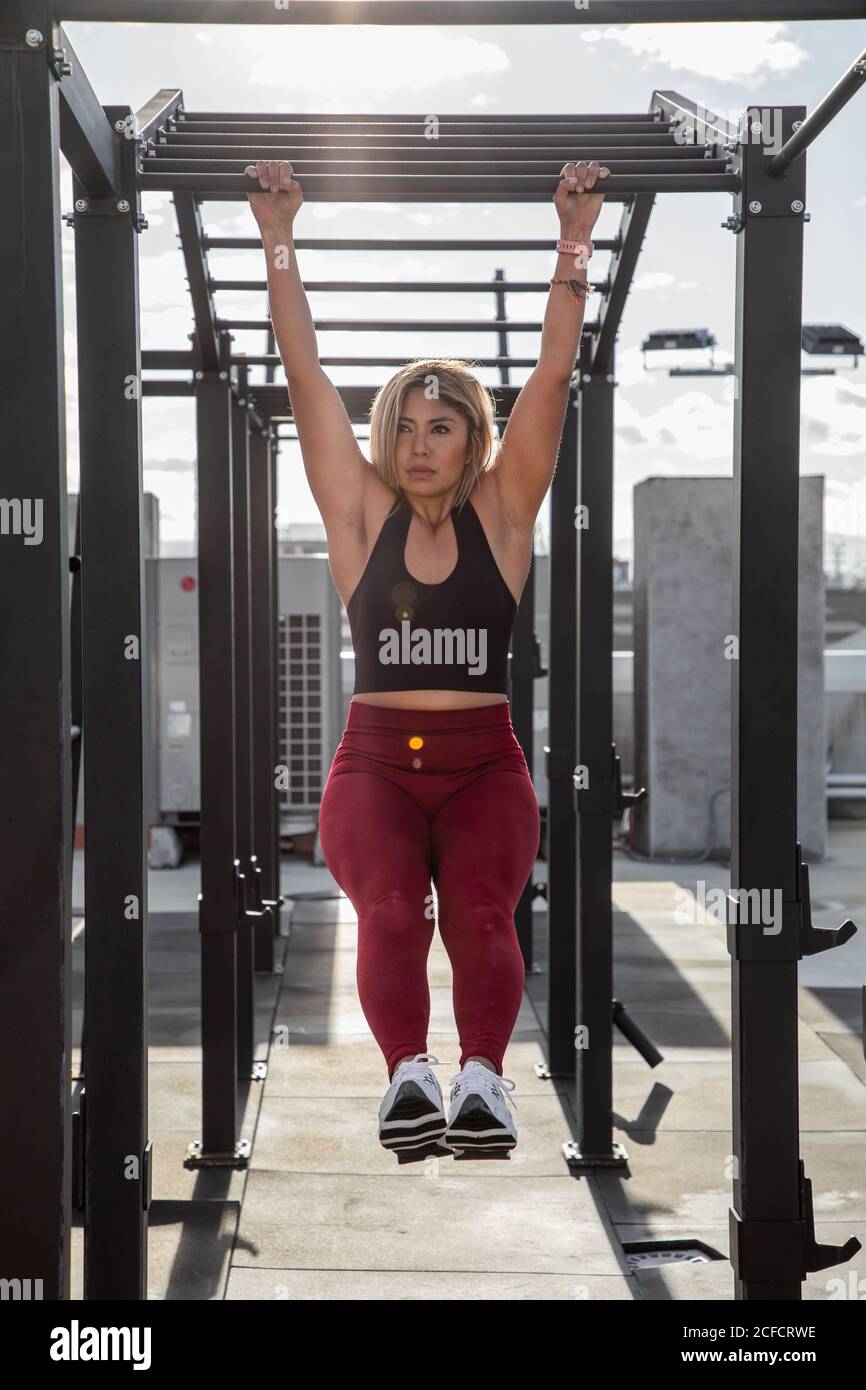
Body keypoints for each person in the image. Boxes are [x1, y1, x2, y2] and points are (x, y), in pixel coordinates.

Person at [246, 155, 609, 1163]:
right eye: (402, 427)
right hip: (374, 767)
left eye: (438, 428)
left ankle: (483, 1083)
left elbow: (549, 376)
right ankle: (409, 1074)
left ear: (469, 442)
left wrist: (571, 241)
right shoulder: (360, 515)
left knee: (485, 911)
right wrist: (280, 238)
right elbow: (304, 372)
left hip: (483, 766)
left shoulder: (503, 510)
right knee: (395, 911)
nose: (416, 443)